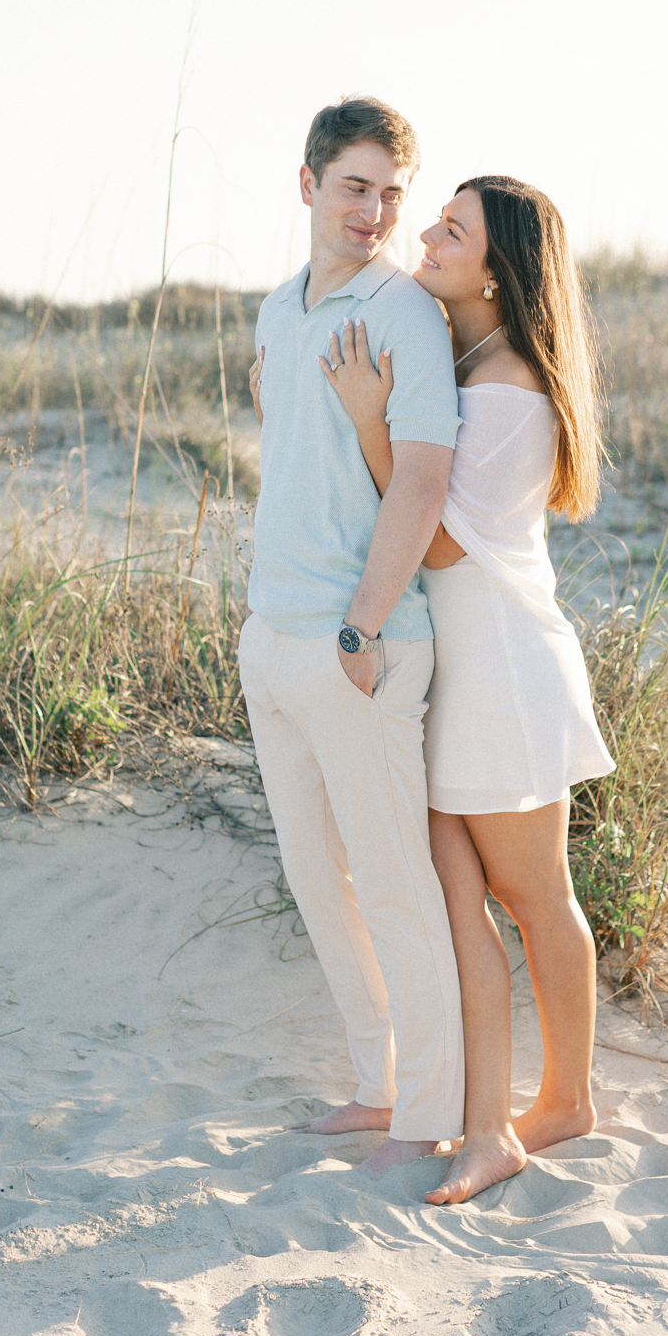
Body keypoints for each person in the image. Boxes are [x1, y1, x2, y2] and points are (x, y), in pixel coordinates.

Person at [319, 173, 614, 1205]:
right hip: (465, 671)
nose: (430, 237)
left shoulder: (505, 389)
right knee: (465, 904)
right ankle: (485, 1112)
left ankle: (567, 1099)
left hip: (504, 672)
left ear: (499, 270)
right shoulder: (470, 362)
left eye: (454, 229)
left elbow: (436, 536)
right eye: (435, 219)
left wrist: (367, 422)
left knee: (536, 898)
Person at [239, 97, 465, 1176]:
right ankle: (378, 1086)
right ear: (308, 185)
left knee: (391, 880)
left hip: (357, 641)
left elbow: (423, 479)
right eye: (353, 186)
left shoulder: (405, 315)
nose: (372, 210)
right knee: (314, 877)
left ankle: (429, 1110)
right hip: (270, 635)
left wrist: (361, 628)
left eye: (389, 192)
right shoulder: (278, 312)